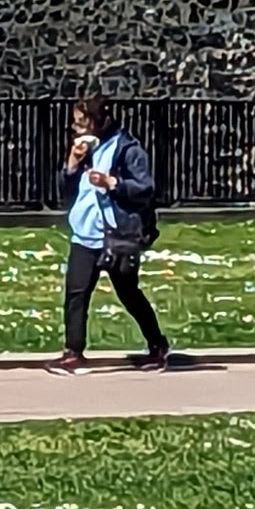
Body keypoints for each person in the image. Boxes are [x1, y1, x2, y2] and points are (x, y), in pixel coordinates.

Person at [52, 92, 168, 371]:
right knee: (76, 294)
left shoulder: (127, 150)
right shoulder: (86, 149)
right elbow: (66, 192)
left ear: (97, 121)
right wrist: (71, 165)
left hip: (116, 236)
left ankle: (157, 345)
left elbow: (145, 189)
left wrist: (112, 183)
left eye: (81, 122)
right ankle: (73, 352)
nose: (76, 128)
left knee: (128, 293)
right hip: (84, 235)